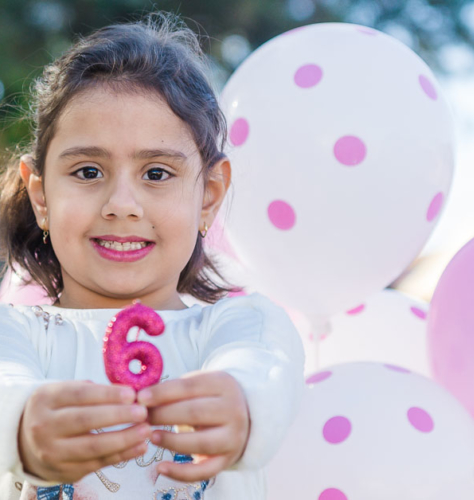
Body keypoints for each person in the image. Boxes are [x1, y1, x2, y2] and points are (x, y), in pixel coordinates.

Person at [0, 12, 305, 500]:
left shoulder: (240, 326)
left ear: (207, 197)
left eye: (157, 173)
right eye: (87, 171)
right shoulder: (12, 333)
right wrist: (21, 425)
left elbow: (263, 370)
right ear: (41, 196)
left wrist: (242, 405)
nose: (122, 204)